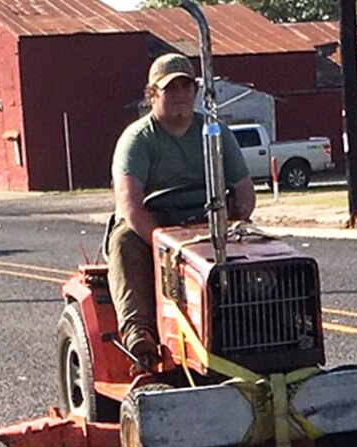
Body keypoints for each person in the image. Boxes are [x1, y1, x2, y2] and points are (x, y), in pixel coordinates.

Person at [107, 53, 256, 371]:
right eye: (170, 89)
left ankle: (264, 326)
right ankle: (140, 337)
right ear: (152, 95)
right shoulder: (137, 139)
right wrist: (164, 245)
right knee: (123, 241)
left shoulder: (215, 133)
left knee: (259, 245)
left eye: (186, 87)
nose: (180, 96)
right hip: (155, 226)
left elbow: (244, 189)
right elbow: (131, 205)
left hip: (208, 220)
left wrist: (237, 220)